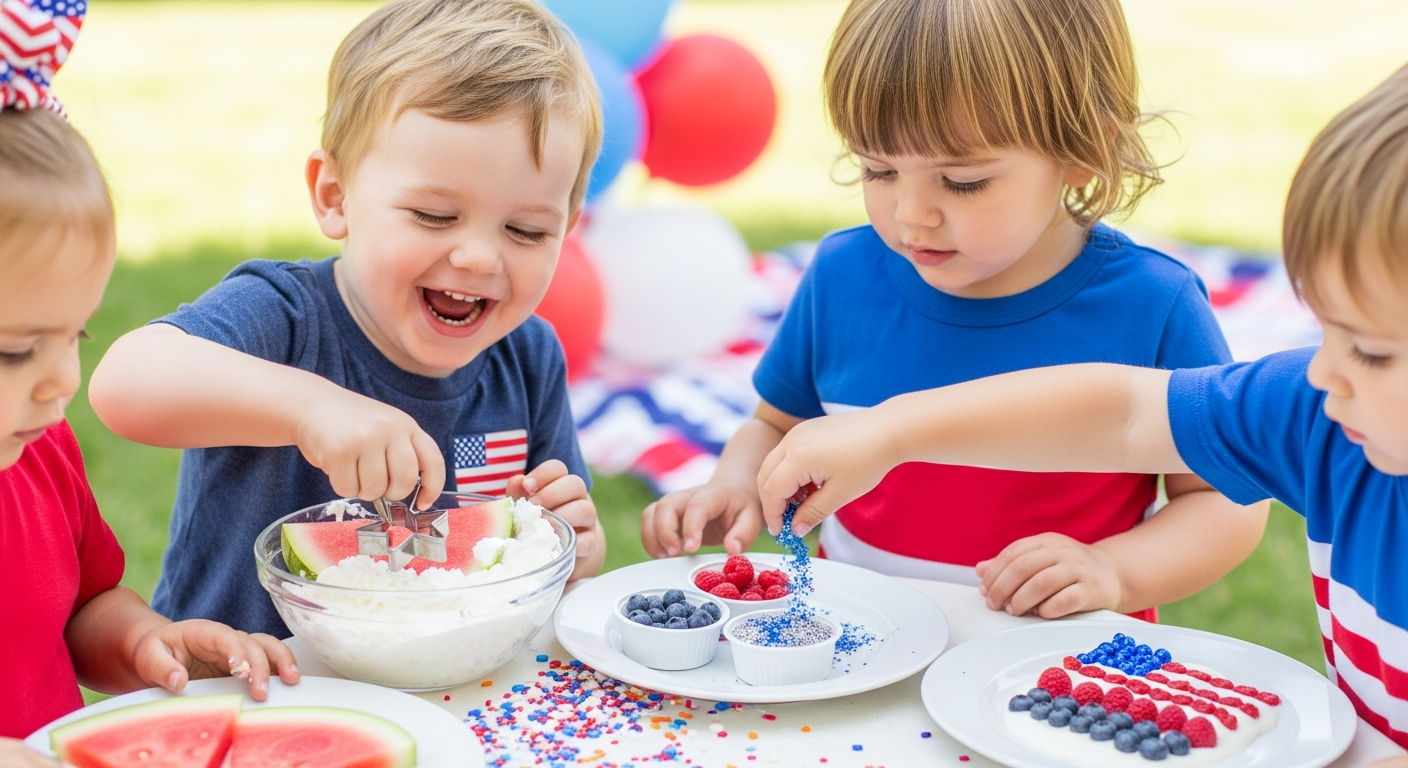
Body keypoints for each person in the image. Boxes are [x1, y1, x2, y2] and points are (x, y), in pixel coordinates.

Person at [756, 65, 1408, 757]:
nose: (1319, 367)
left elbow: (1214, 505)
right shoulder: (1316, 417)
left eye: (1369, 350)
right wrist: (889, 431)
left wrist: (1115, 572)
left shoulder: (1160, 306)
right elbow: (1126, 414)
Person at [640, 0, 1266, 621]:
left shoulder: (1151, 305)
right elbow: (776, 426)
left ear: (1083, 150)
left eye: (962, 181)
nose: (912, 213)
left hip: (1058, 669)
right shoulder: (842, 278)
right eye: (878, 169)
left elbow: (1226, 498)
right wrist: (737, 486)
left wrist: (1115, 571)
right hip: (857, 642)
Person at [88, 0, 606, 638]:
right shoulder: (286, 315)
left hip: (441, 690)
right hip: (245, 689)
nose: (476, 257)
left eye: (526, 230)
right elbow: (124, 382)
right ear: (335, 197)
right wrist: (312, 410)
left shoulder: (528, 357)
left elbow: (550, 566)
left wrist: (573, 548)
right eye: (434, 216)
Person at [0, 43, 297, 761]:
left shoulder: (38, 450)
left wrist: (146, 643)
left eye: (75, 334)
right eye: (14, 350)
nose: (60, 381)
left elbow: (81, 610)